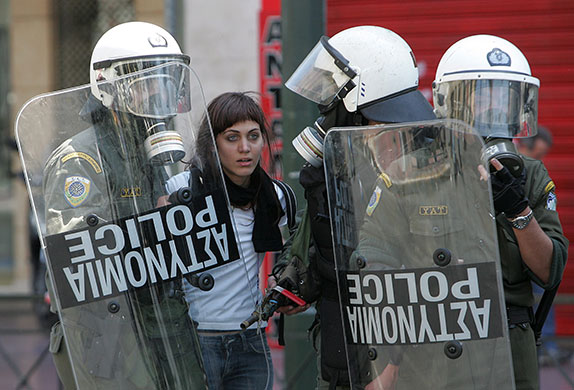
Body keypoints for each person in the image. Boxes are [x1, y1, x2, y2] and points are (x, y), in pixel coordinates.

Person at [41, 22, 206, 389]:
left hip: (166, 326)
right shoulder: (82, 159)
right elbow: (72, 262)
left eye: (164, 82)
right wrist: (151, 227)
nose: (157, 94)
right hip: (113, 334)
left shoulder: (153, 154)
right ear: (108, 86)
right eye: (146, 82)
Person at [275, 25, 436, 389]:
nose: (325, 104)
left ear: (364, 91)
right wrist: (294, 278)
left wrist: (392, 369)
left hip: (397, 360)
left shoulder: (424, 169)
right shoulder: (336, 167)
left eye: (333, 90)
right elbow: (312, 247)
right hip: (338, 352)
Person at [432, 34, 569, 389]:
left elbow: (548, 271)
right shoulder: (421, 173)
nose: (493, 111)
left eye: (504, 98)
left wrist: (518, 209)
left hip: (510, 341)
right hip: (437, 337)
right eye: (481, 98)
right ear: (450, 104)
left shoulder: (531, 174)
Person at [164, 91, 297, 390]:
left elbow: (296, 248)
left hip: (251, 339)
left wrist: (284, 278)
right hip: (196, 341)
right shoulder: (181, 190)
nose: (245, 148)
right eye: (232, 137)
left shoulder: (276, 196)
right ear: (213, 143)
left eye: (253, 136)